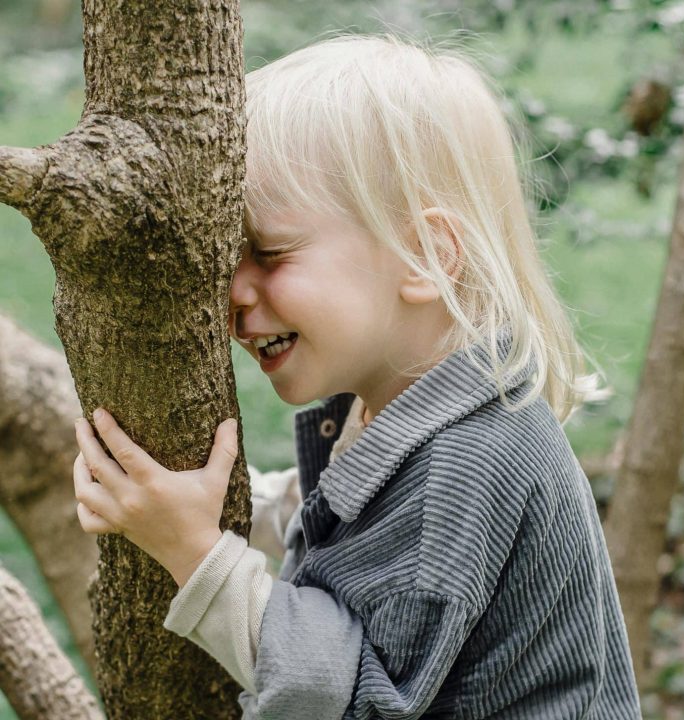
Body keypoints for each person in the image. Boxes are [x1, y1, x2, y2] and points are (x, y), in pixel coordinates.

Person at [73, 34, 642, 719]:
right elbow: (367, 525)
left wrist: (193, 549)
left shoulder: (464, 467)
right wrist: (255, 503)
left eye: (271, 253)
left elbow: (351, 701)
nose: (233, 292)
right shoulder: (412, 402)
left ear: (426, 256)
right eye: (229, 255)